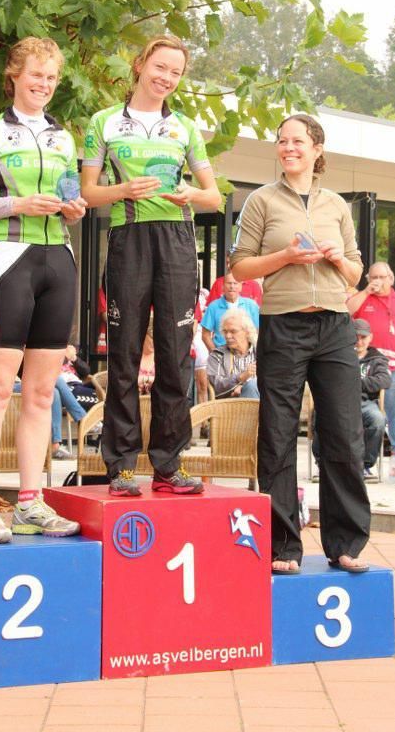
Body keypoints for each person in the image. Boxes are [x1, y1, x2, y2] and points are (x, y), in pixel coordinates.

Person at [0, 36, 86, 544]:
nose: (44, 85)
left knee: (41, 391)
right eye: (36, 76)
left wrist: (74, 208)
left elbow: (72, 195)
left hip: (60, 260)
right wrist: (16, 205)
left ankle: (31, 503)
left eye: (51, 78)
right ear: (14, 74)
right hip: (9, 260)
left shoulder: (63, 138)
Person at [81, 34, 221, 496]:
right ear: (141, 64)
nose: (166, 78)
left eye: (176, 72)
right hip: (128, 237)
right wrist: (124, 191)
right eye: (160, 67)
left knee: (175, 353)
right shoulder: (103, 122)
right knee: (123, 353)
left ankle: (168, 463)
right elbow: (88, 194)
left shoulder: (184, 127)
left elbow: (214, 197)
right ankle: (121, 465)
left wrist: (191, 194)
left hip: (178, 241)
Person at [231, 113, 370, 574]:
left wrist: (336, 260)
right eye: (281, 141)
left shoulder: (336, 206)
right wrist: (286, 256)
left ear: (316, 148)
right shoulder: (260, 202)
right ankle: (283, 546)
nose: (288, 147)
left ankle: (345, 543)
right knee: (277, 434)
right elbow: (240, 268)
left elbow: (356, 272)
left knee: (343, 433)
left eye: (297, 141)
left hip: (334, 326)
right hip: (283, 326)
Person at [348, 261, 395, 465]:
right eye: (373, 277)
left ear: (391, 279)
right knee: (370, 412)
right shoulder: (363, 299)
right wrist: (365, 291)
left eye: (381, 277)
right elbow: (346, 311)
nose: (377, 281)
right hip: (368, 365)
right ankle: (365, 455)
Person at [353, 318, 391, 479]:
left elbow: (385, 380)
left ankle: (365, 465)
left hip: (366, 402)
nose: (359, 341)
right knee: (323, 415)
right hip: (340, 401)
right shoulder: (339, 356)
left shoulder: (377, 359)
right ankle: (323, 463)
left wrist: (356, 383)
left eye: (363, 337)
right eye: (356, 337)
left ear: (370, 338)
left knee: (378, 419)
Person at [200, 273, 261, 351]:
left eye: (235, 283)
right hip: (221, 351)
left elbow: (258, 331)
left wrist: (255, 352)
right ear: (223, 286)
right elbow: (205, 335)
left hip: (246, 352)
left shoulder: (251, 305)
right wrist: (216, 354)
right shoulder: (213, 307)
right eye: (229, 283)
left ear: (240, 287)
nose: (232, 286)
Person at [207, 308, 258, 399]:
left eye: (233, 331)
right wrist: (240, 378)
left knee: (252, 386)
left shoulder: (260, 352)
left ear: (247, 332)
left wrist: (244, 388)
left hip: (262, 402)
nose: (228, 336)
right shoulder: (217, 355)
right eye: (225, 331)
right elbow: (216, 387)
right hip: (230, 407)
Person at [138, 320, 155, 395]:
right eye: (150, 339)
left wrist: (147, 379)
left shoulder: (161, 357)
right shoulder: (134, 355)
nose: (153, 342)